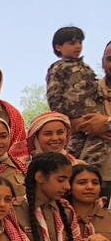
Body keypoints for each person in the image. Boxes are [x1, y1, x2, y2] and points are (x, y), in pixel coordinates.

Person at [46, 25, 108, 172]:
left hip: (93, 119)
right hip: (73, 122)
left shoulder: (86, 68)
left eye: (80, 42)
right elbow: (54, 97)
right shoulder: (58, 68)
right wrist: (64, 121)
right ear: (58, 47)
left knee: (95, 159)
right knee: (72, 161)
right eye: (72, 43)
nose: (78, 46)